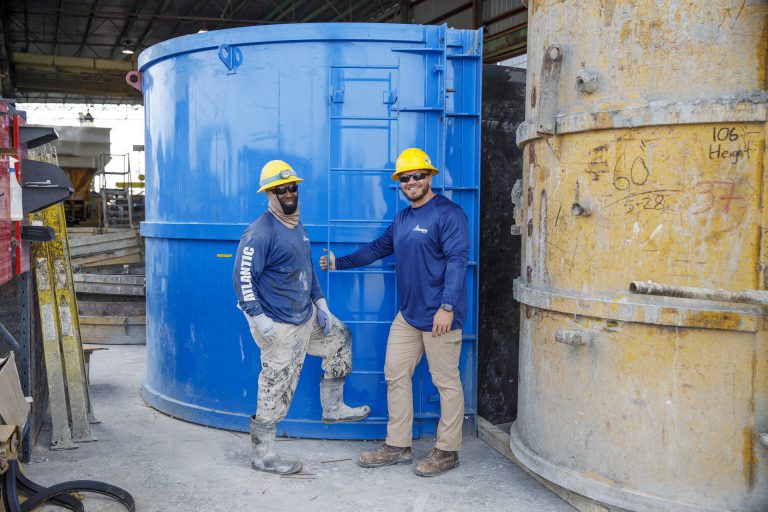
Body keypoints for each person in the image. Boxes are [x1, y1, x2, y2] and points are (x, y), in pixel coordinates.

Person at [320, 148, 469, 477]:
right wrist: (337, 262)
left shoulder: (449, 214)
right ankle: (398, 445)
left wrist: (447, 307)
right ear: (399, 183)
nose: (412, 181)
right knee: (395, 374)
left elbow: (458, 262)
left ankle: (448, 450)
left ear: (430, 177)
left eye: (418, 175)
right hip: (409, 315)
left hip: (440, 318)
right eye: (406, 177)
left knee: (446, 382)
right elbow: (376, 249)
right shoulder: (402, 220)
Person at [233, 159, 370, 475]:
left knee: (340, 337)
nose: (288, 193)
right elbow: (242, 279)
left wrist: (321, 304)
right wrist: (257, 318)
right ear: (270, 194)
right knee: (276, 385)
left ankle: (333, 408)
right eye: (281, 189)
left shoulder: (297, 226)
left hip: (306, 317)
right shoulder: (259, 233)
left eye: (292, 186)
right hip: (279, 326)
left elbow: (307, 270)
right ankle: (264, 455)